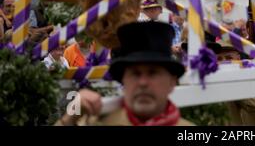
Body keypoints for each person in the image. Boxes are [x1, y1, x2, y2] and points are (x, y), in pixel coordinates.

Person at [57, 21, 192, 126]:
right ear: (123, 79)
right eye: (135, 73)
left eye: (153, 73)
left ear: (172, 81)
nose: (143, 82)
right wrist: (68, 119)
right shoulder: (96, 123)